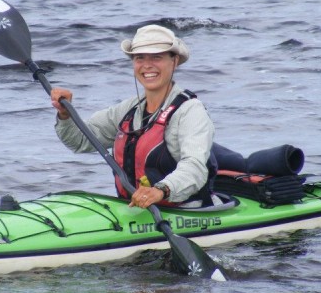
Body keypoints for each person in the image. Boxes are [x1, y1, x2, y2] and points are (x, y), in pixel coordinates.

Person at [51, 25, 218, 209]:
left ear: (174, 61)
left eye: (157, 57)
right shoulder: (129, 109)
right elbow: (80, 141)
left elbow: (195, 168)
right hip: (136, 210)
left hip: (186, 210)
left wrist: (161, 190)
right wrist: (65, 114)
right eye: (140, 58)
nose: (147, 65)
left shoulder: (190, 111)